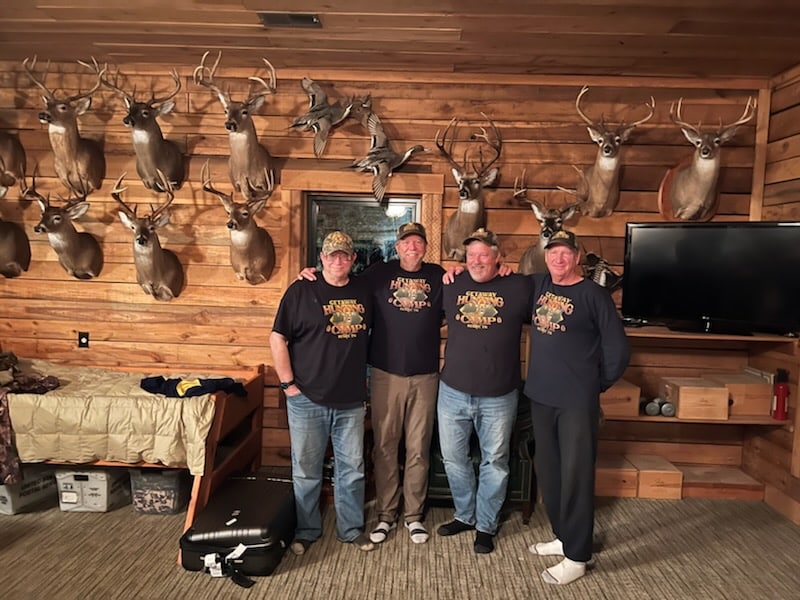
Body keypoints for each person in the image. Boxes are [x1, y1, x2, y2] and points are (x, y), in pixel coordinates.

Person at [299, 222, 445, 545]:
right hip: (384, 375)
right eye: (406, 242)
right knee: (385, 447)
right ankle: (386, 514)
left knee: (418, 448)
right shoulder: (378, 274)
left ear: (425, 247)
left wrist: (466, 268)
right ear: (397, 247)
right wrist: (310, 274)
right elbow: (341, 281)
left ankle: (414, 516)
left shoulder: (438, 276)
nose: (412, 247)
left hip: (425, 377)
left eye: (418, 242)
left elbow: (461, 294)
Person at [524, 229, 630, 585]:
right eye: (553, 252)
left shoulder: (594, 295)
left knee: (577, 476)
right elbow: (503, 283)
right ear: (546, 256)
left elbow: (618, 350)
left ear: (577, 257)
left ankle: (578, 556)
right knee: (550, 473)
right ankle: (563, 536)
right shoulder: (540, 285)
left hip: (576, 403)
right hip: (541, 397)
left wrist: (595, 385)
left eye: (565, 253)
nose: (558, 258)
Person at [269, 230, 375, 555]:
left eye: (344, 255)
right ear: (322, 258)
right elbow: (277, 337)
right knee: (306, 470)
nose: (337, 260)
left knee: (352, 469)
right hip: (306, 398)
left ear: (353, 259)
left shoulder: (364, 290)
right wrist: (288, 385)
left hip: (351, 400)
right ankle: (307, 531)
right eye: (331, 255)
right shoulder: (301, 289)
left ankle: (351, 529)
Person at [436, 228, 534, 554]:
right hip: (452, 392)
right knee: (454, 458)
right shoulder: (451, 283)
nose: (477, 261)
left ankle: (486, 525)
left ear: (497, 258)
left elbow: (554, 297)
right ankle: (465, 515)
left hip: (499, 395)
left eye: (484, 255)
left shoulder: (519, 286)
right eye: (471, 255)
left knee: (495, 462)